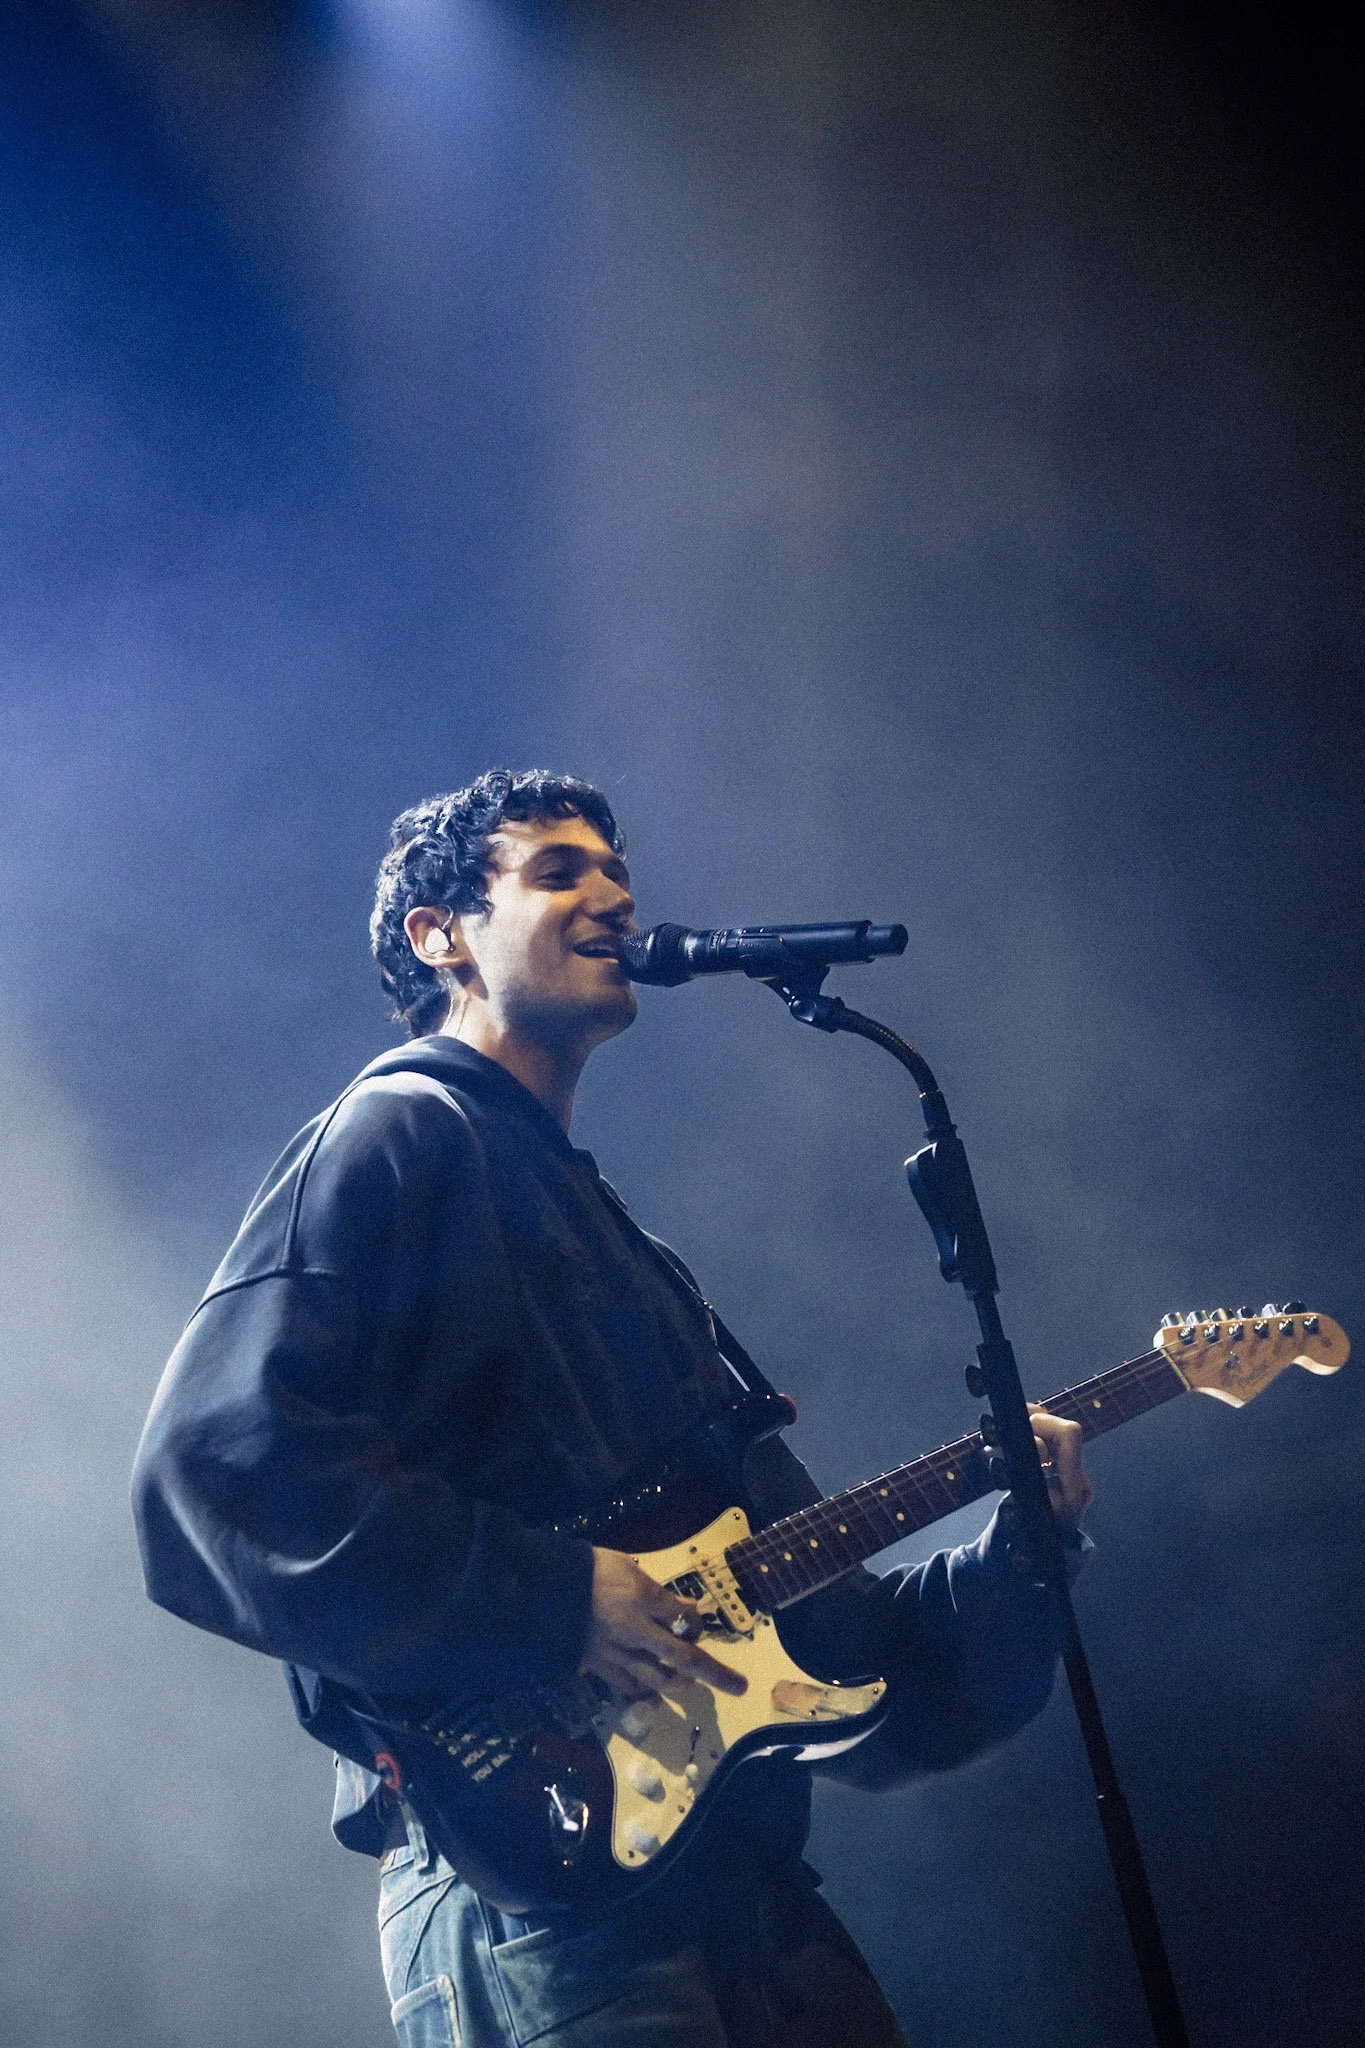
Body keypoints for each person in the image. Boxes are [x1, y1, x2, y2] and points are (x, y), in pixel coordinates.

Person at [132, 768, 1092, 2048]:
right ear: (442, 935)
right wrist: (551, 1596)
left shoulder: (614, 1241)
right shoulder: (397, 1135)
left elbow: (848, 1653)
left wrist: (1025, 1546)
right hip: (536, 1904)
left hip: (745, 1899)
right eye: (559, 871)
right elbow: (218, 1472)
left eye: (617, 870)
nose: (614, 894)